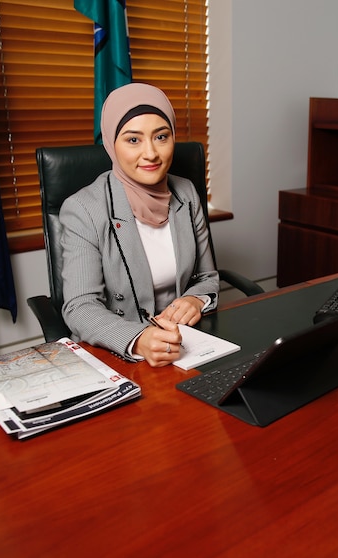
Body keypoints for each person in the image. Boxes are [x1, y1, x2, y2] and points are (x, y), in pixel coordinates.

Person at [59, 83, 219, 366]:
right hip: (117, 354)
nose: (151, 154)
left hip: (186, 347)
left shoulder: (187, 193)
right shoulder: (83, 209)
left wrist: (197, 301)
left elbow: (207, 278)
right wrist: (138, 339)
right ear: (111, 143)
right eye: (133, 140)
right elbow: (80, 308)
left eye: (161, 136)